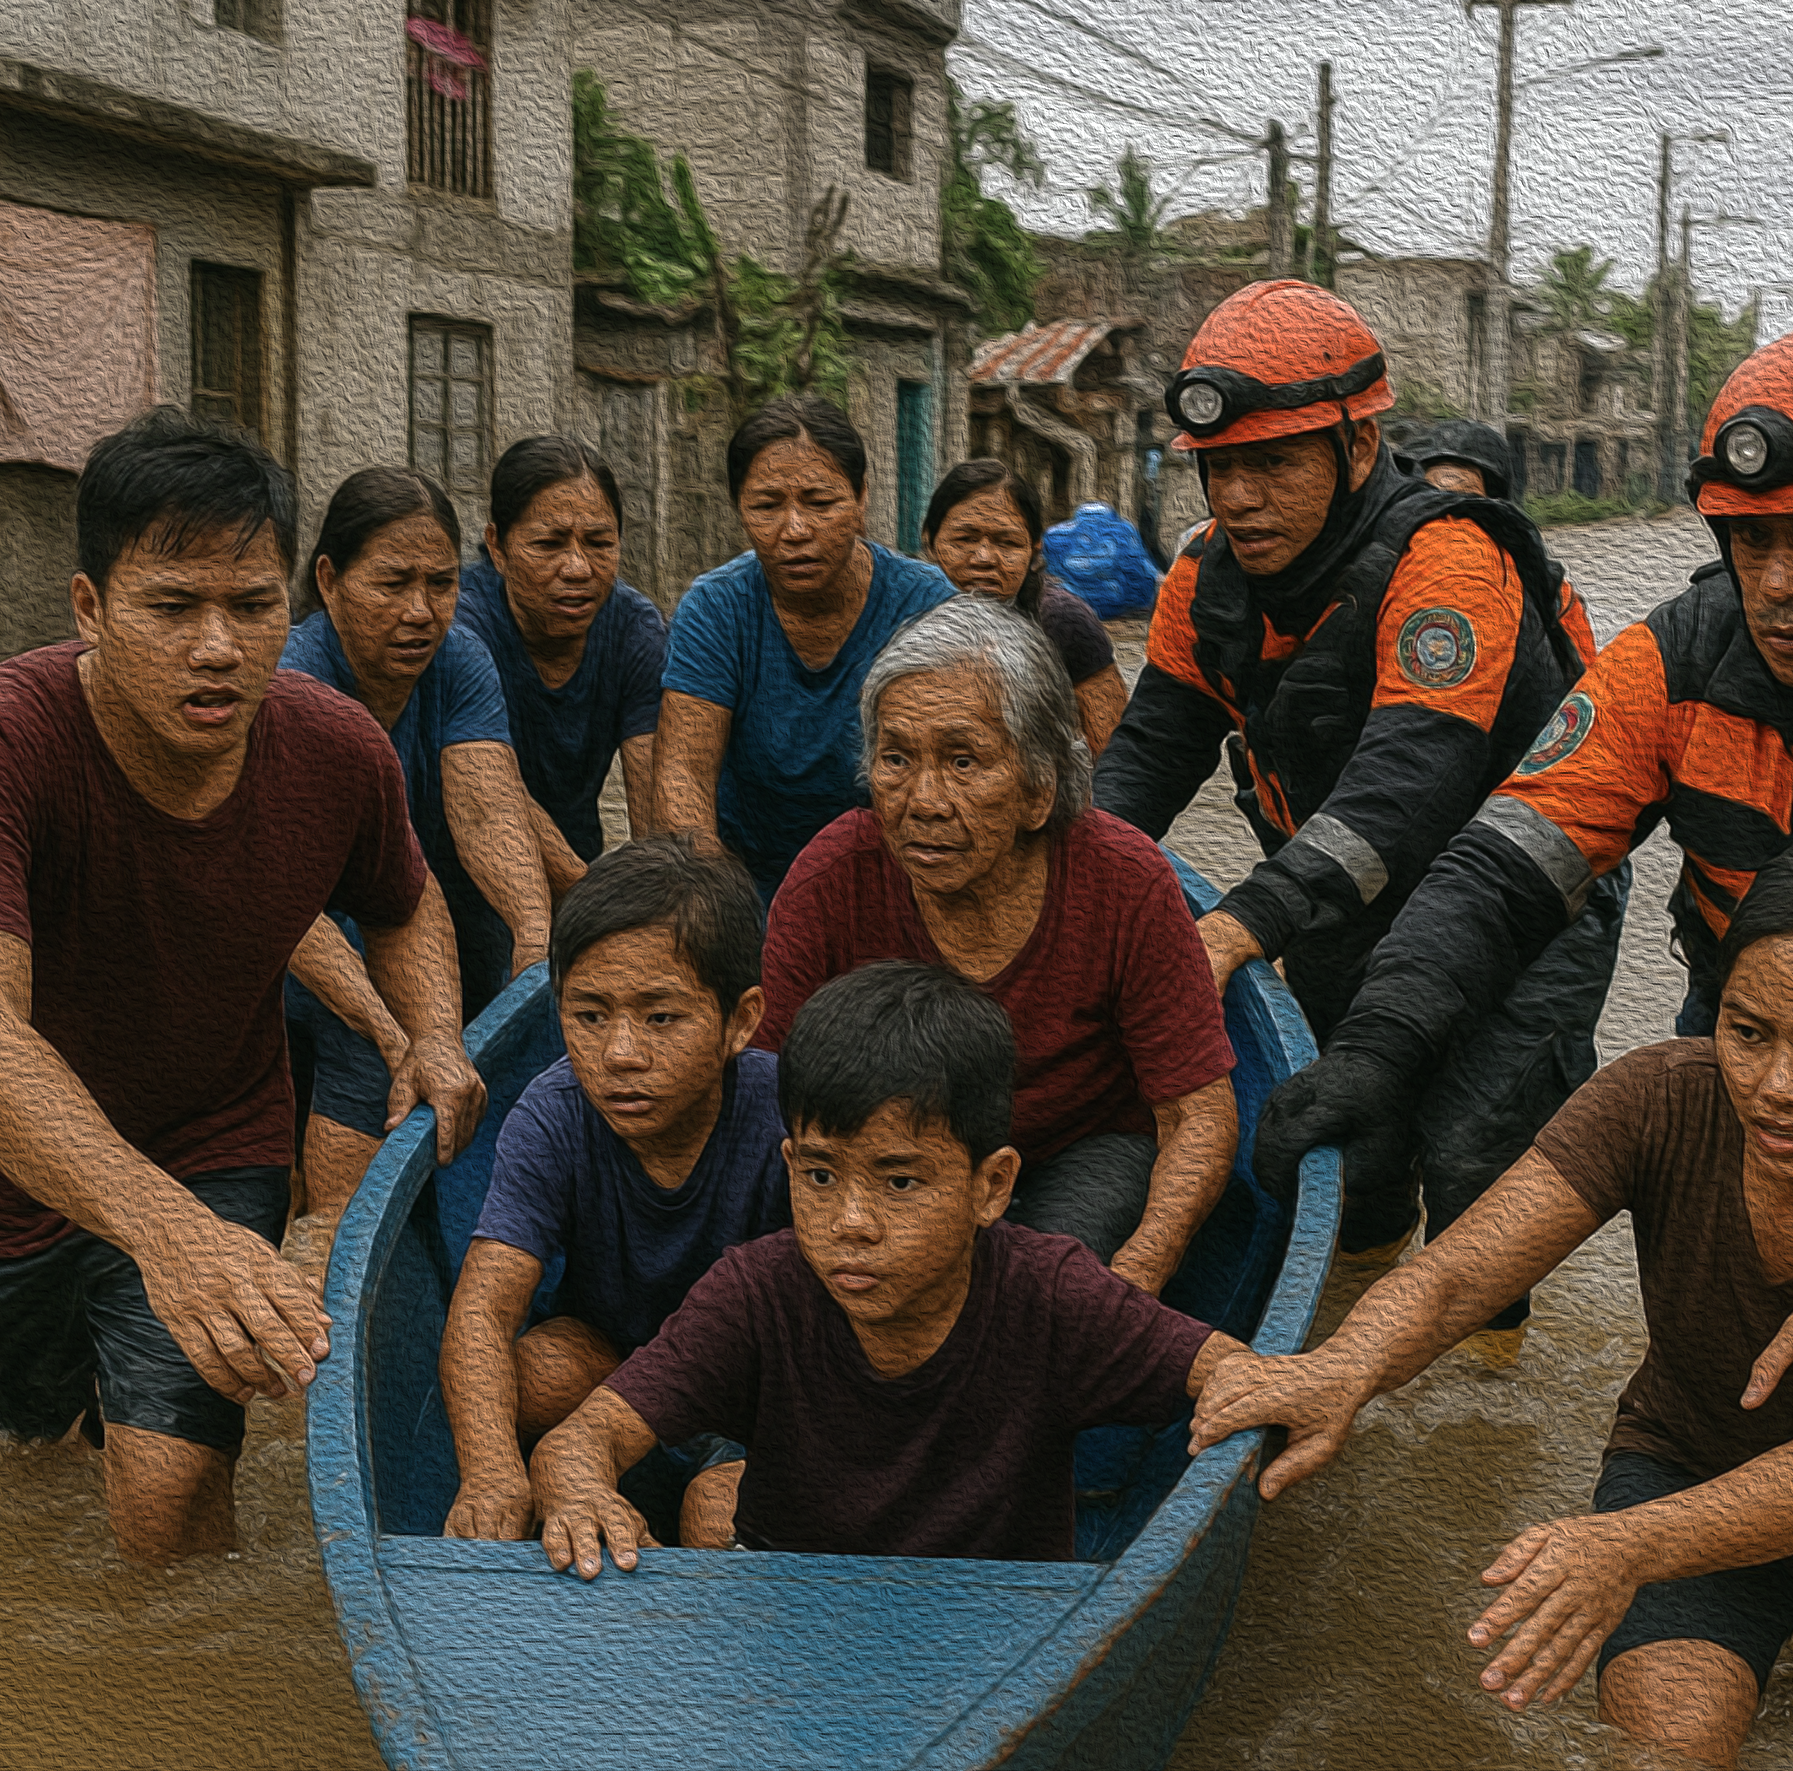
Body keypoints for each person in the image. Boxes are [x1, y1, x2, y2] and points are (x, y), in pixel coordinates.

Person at [1258, 317, 1793, 1481]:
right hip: (1751, 1055)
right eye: (1744, 540)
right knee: (1721, 1365)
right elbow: (1501, 868)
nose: (1775, 585)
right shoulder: (1670, 659)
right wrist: (1376, 1051)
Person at [1192, 838, 1793, 1762]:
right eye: (1747, 1029)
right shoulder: (1661, 1098)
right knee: (1665, 1749)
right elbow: (1457, 1275)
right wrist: (1342, 1368)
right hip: (1685, 1463)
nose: (1777, 1088)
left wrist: (1623, 1548)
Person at [0, 408, 483, 1565]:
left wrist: (435, 1035)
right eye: (172, 608)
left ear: (286, 608)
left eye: (252, 608)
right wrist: (163, 1231)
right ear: (90, 608)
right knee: (19, 1478)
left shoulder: (335, 748)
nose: (218, 646)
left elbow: (404, 898)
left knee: (166, 1507)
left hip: (213, 1138)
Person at [1092, 279, 1624, 1366]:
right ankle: (1352, 1339)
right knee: (1350, 1153)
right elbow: (1145, 759)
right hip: (1341, 902)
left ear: (1359, 441)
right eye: (1220, 467)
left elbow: (1406, 785)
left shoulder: (1450, 560)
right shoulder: (1200, 579)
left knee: (1473, 1146)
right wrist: (1057, 881)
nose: (1239, 497)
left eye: (1271, 464)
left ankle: (1486, 1390)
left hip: (1517, 906)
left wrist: (1238, 926)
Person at [527, 960, 1251, 1571]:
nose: (851, 1224)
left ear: (991, 1187)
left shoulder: (1048, 1293)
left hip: (986, 1644)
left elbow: (1237, 1375)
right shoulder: (758, 1293)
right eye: (819, 1176)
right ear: (789, 1164)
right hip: (794, 1628)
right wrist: (581, 1492)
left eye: (899, 1182)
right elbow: (582, 1439)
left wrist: (1360, 1346)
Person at [755, 596, 1240, 1289]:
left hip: (1081, 1147)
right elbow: (768, 1088)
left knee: (1043, 1286)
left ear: (1040, 790)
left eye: (962, 761)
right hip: (894, 1158)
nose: (922, 800)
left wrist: (1137, 1277)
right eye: (895, 758)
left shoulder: (1124, 880)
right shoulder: (833, 878)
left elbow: (1198, 1112)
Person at [440, 834, 785, 1550]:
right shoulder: (554, 1112)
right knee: (528, 1379)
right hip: (615, 1361)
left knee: (721, 1521)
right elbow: (483, 1309)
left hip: (751, 1386)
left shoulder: (785, 1118)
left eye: (661, 1018)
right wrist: (491, 1473)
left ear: (740, 1021)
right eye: (589, 1016)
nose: (621, 1054)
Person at [280, 466, 553, 1241]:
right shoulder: (297, 684)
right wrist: (392, 1028)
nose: (420, 611)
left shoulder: (459, 663)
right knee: (306, 1207)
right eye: (393, 582)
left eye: (440, 583)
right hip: (283, 952)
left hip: (392, 932)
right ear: (328, 580)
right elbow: (290, 901)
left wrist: (534, 933)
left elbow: (489, 807)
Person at [656, 397, 956, 899]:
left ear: (861, 501)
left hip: (900, 882)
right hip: (749, 879)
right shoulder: (716, 608)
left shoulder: (927, 607)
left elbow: (953, 772)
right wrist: (715, 902)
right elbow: (682, 775)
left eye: (820, 503)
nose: (795, 530)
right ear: (739, 510)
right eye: (767, 506)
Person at [458, 434, 669, 887]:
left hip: (577, 865)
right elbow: (496, 792)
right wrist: (587, 895)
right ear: (497, 547)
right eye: (549, 544)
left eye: (598, 542)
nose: (577, 568)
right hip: (465, 866)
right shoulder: (462, 627)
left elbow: (655, 806)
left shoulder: (635, 631)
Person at [921, 457, 1132, 754]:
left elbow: (1113, 752)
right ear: (929, 542)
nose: (984, 558)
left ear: (1034, 552)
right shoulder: (904, 613)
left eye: (1007, 543)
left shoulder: (1060, 621)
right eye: (964, 539)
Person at [1409, 417, 1596, 660]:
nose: (1448, 521)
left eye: (1465, 504)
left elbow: (1585, 686)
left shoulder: (1551, 597)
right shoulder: (1387, 573)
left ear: (1497, 513)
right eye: (1432, 500)